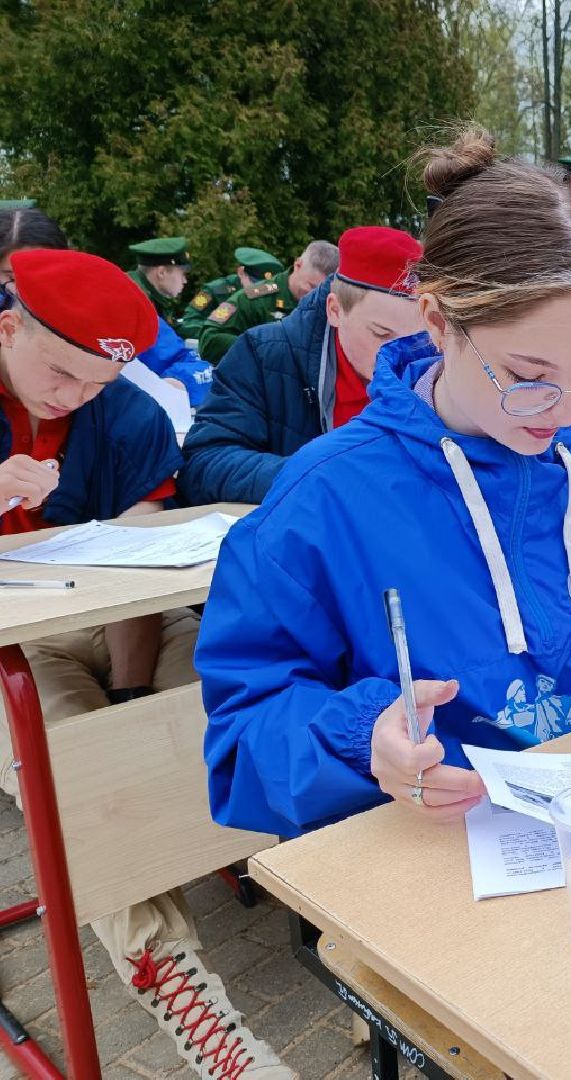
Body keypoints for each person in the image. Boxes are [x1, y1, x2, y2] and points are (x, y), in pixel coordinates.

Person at [196, 125, 571, 842]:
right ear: (436, 320)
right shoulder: (324, 499)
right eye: (528, 376)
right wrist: (364, 739)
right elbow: (241, 733)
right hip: (415, 846)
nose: (564, 411)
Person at [0, 249, 291, 1077]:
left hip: (129, 621)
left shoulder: (124, 413)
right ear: (8, 324)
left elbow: (138, 569)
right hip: (13, 648)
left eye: (94, 383)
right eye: (61, 374)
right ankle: (195, 1010)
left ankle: (318, 906)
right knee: (72, 775)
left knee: (230, 703)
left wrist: (132, 695)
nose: (74, 398)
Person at [177, 228, 423, 505]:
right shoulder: (262, 355)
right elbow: (203, 463)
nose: (398, 356)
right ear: (335, 310)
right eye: (381, 334)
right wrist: (318, 476)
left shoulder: (437, 363)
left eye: (415, 340)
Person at [2, 209, 211, 405]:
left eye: (49, 276)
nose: (30, 290)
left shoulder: (113, 314)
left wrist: (174, 386)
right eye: (14, 277)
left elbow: (197, 369)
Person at [196, 239, 338, 362]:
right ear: (297, 265)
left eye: (323, 292)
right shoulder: (255, 299)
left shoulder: (333, 305)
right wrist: (259, 347)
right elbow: (209, 340)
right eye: (311, 286)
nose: (315, 296)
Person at [177, 246, 284, 342]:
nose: (260, 290)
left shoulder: (274, 294)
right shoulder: (214, 290)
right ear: (241, 273)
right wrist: (217, 333)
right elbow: (189, 321)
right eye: (256, 283)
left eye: (265, 286)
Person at [127, 236, 190, 326]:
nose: (185, 281)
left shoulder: (150, 297)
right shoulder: (136, 301)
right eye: (182, 274)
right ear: (162, 273)